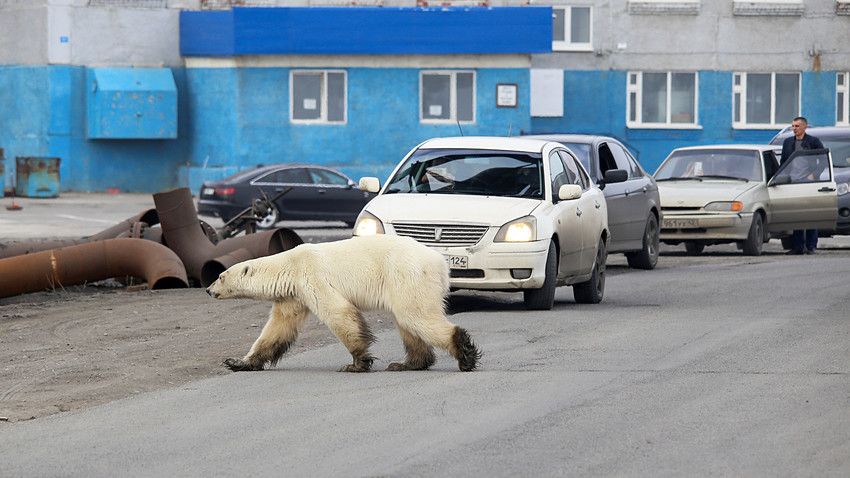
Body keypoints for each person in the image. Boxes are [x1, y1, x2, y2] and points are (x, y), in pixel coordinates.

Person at [781, 116, 825, 255]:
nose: (794, 129)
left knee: (810, 214)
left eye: (797, 126)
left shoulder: (813, 141)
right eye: (793, 126)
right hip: (792, 183)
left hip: (808, 182)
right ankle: (798, 246)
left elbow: (823, 160)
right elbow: (783, 162)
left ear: (804, 127)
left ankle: (811, 246)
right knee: (796, 215)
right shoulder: (788, 142)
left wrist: (813, 174)